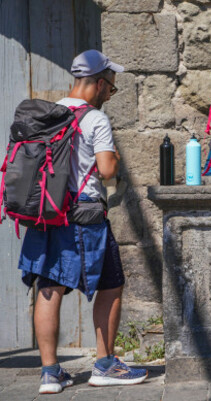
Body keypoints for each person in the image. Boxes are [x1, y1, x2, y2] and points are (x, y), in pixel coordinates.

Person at [18, 50, 147, 394]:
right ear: (98, 84)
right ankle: (105, 364)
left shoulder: (50, 113)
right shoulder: (94, 120)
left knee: (48, 287)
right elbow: (105, 170)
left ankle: (50, 373)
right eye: (111, 88)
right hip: (84, 216)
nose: (110, 94)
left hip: (46, 213)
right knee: (111, 284)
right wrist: (115, 160)